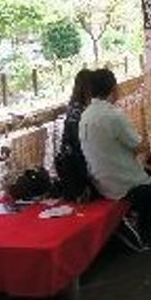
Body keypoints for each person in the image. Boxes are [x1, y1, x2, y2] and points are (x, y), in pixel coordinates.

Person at [80, 69, 151, 249]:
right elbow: (138, 146)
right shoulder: (113, 116)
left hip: (99, 179)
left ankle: (136, 216)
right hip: (121, 183)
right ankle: (140, 225)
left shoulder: (85, 115)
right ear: (114, 89)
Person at [54, 68, 97, 202]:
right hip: (80, 166)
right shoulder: (84, 111)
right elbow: (82, 146)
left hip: (71, 164)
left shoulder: (73, 107)